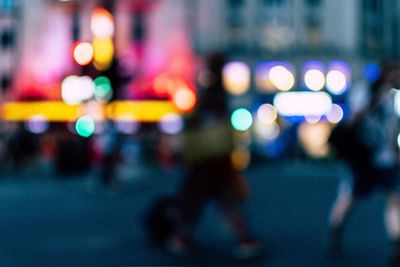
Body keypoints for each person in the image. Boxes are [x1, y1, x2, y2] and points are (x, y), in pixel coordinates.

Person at [165, 53, 262, 259]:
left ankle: (182, 237)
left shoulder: (206, 93)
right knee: (226, 200)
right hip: (218, 158)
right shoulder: (220, 93)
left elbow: (193, 120)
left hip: (203, 158)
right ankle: (245, 239)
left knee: (195, 199)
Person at [328, 62, 400, 264]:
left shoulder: (394, 96)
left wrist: (395, 151)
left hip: (384, 157)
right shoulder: (365, 92)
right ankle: (335, 232)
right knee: (349, 198)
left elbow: (393, 128)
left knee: (393, 199)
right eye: (393, 73)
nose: (395, 78)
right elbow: (353, 120)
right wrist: (374, 101)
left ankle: (396, 245)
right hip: (364, 158)